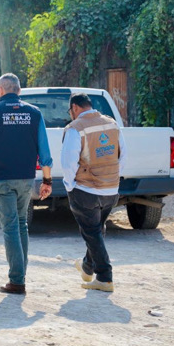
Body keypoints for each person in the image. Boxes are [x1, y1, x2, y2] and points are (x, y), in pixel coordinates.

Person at [0, 73, 53, 295]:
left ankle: (17, 281)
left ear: (0, 91)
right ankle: (20, 275)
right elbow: (44, 150)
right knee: (21, 223)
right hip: (26, 178)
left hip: (2, 178)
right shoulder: (34, 114)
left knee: (10, 227)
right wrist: (47, 179)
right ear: (19, 91)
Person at [61, 93, 126, 292]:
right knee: (97, 230)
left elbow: (69, 161)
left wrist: (69, 186)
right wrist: (113, 178)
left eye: (70, 111)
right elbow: (122, 154)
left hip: (86, 189)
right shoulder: (112, 124)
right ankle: (87, 267)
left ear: (75, 108)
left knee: (91, 232)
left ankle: (105, 277)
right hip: (111, 189)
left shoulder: (76, 128)